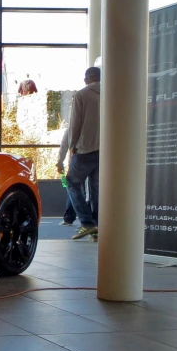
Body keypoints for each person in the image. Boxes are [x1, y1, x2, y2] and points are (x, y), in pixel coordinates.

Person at [66, 67, 101, 240]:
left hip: (85, 147)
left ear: (88, 78)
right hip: (106, 150)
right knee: (96, 190)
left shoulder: (82, 95)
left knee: (72, 182)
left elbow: (75, 124)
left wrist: (72, 147)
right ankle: (97, 227)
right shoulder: (111, 93)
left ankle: (87, 223)